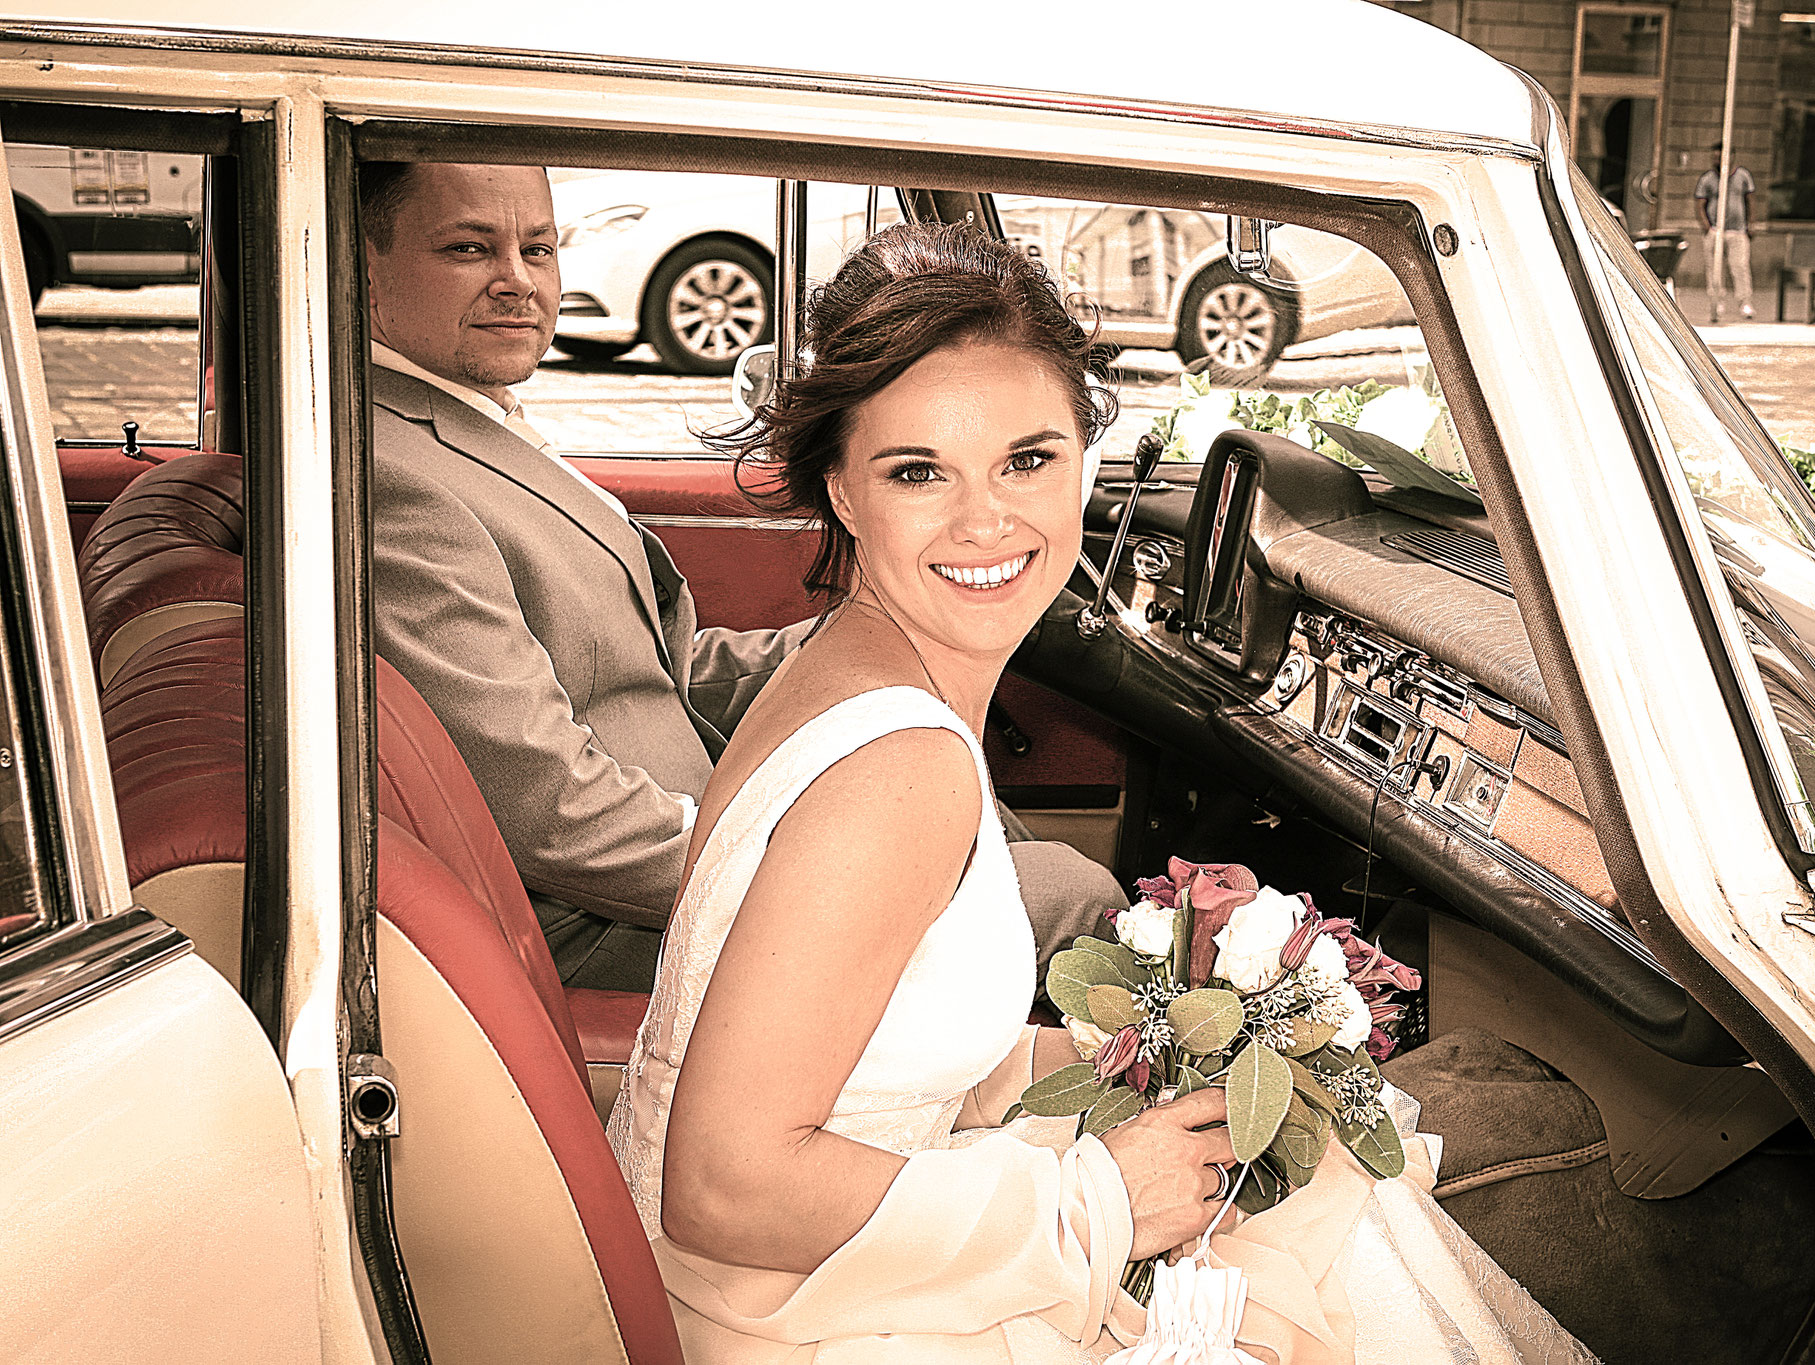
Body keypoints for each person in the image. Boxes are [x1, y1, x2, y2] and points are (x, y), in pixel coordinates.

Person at [606, 220, 1592, 1362]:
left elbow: (870, 1049)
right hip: (791, 1316)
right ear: (839, 490)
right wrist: (1100, 1198)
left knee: (1301, 1186)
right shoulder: (896, 769)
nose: (986, 522)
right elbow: (723, 1192)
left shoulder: (840, 668)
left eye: (1027, 459)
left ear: (1086, 456)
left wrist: (1137, 1050)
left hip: (799, 1259)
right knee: (1310, 1253)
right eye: (917, 470)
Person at [362, 161, 1120, 991]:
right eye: (471, 248)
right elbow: (551, 813)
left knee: (997, 829)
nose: (517, 281)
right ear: (364, 262)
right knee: (1076, 898)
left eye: (538, 248)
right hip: (607, 932)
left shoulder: (464, 424)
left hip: (689, 829)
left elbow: (644, 671)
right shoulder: (397, 480)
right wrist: (803, 865)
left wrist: (868, 640)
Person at [1694, 141, 1756, 322]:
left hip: (1737, 230)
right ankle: (1717, 301)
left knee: (1740, 266)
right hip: (1715, 230)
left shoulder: (1743, 176)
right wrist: (1706, 226)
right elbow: (1700, 203)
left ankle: (1745, 301)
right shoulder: (1707, 178)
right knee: (1714, 268)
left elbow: (1751, 200)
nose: (1716, 160)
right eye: (1713, 157)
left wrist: (1751, 224)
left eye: (1719, 156)